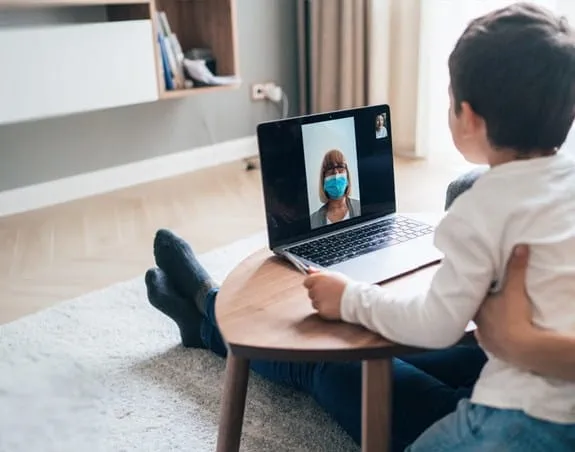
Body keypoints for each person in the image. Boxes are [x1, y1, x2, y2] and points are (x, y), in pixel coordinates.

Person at [304, 3, 575, 451]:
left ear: (467, 116)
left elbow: (436, 326)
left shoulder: (481, 208)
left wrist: (348, 298)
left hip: (522, 418)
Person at [309, 149, 361, 228]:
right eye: (330, 168)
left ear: (347, 175)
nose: (336, 172)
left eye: (340, 166)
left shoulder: (361, 208)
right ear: (323, 178)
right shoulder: (313, 220)